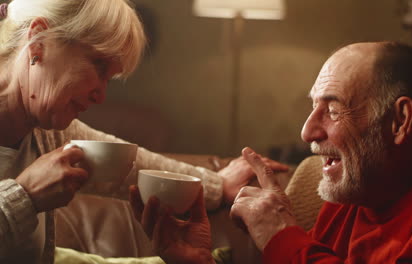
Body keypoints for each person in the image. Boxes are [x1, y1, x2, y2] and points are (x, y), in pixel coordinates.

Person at [0, 0, 289, 263]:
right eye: (98, 66)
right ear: (39, 42)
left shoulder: (45, 131)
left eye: (109, 80)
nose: (100, 95)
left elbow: (131, 166)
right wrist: (25, 196)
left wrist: (216, 185)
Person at [139, 41, 412, 263]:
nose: (308, 131)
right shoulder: (353, 194)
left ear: (399, 121)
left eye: (333, 109)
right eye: (314, 107)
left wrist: (281, 236)